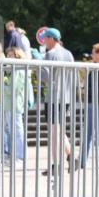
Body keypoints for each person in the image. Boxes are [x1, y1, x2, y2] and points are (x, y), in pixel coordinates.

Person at [41, 27, 74, 175]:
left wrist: (39, 63)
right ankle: (71, 157)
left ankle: (56, 165)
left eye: (45, 38)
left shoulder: (50, 55)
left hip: (54, 97)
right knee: (59, 130)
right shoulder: (68, 53)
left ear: (51, 39)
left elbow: (46, 77)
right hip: (65, 97)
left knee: (54, 132)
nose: (43, 41)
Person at [0, 47, 31, 160]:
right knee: (11, 130)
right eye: (8, 55)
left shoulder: (18, 70)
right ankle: (14, 154)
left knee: (17, 130)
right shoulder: (13, 70)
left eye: (11, 55)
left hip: (14, 104)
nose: (8, 58)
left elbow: (13, 88)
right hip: (9, 104)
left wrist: (0, 82)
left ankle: (20, 156)